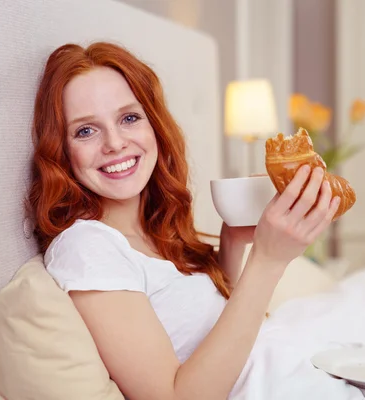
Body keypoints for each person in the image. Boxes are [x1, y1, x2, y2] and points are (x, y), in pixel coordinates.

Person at [27, 41, 341, 399]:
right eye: (86, 130)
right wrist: (267, 261)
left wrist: (234, 242)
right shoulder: (87, 248)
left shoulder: (154, 228)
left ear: (154, 127)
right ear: (62, 151)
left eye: (129, 118)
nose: (114, 143)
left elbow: (219, 331)